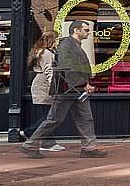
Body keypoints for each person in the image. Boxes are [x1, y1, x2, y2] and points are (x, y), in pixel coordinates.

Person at [20, 20, 107, 158]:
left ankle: (88, 148)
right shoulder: (66, 46)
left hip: (75, 89)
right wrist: (84, 84)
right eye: (86, 30)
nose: (88, 32)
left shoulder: (74, 45)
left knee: (86, 119)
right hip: (66, 89)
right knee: (54, 119)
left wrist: (85, 83)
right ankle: (30, 144)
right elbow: (67, 67)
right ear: (76, 30)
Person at [26, 31, 66, 152]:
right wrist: (52, 86)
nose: (57, 42)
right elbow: (48, 70)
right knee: (48, 117)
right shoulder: (46, 53)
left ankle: (46, 141)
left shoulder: (42, 51)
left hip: (41, 83)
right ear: (51, 40)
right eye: (56, 40)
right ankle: (34, 133)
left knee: (48, 116)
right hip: (43, 85)